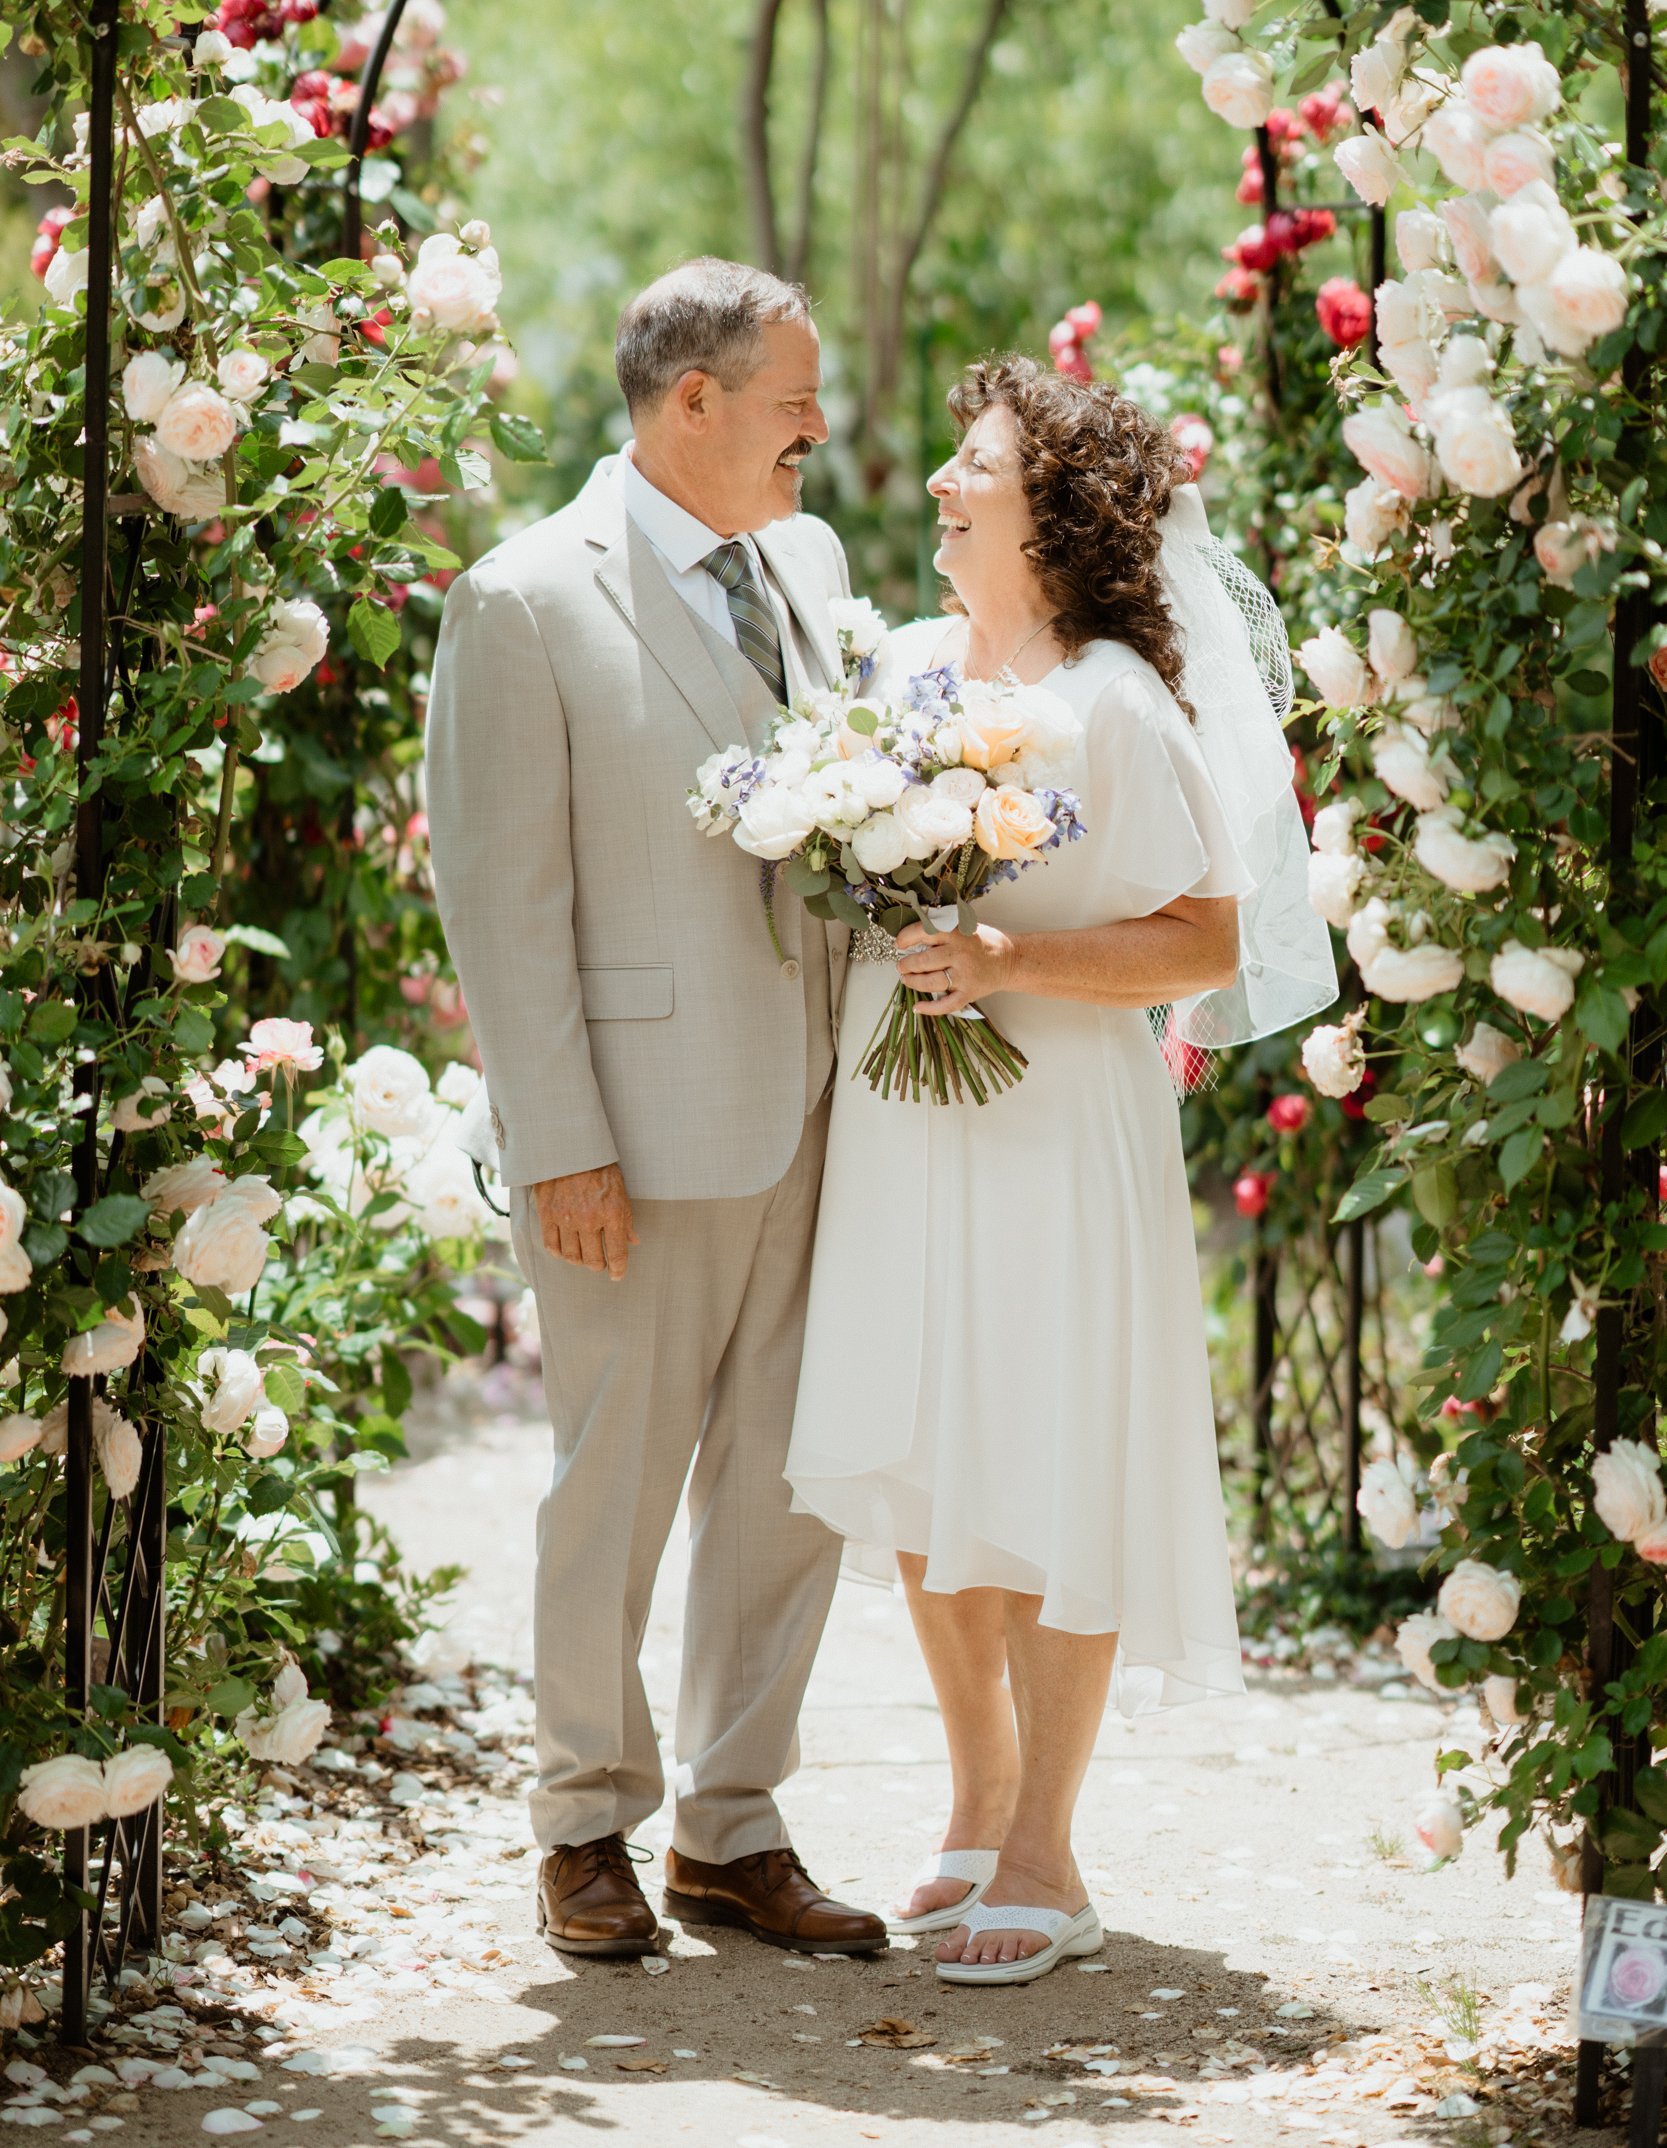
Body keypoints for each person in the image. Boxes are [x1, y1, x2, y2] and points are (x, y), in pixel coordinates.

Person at [785, 355, 1336, 1987]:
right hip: (909, 1116)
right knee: (925, 1445)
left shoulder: (1118, 701)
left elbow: (1205, 937)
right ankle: (973, 1811)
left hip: (1055, 1116)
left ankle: (1051, 1852)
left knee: (1049, 1448)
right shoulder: (895, 668)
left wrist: (1007, 963)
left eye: (972, 466)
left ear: (1053, 516)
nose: (940, 488)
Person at [426, 257, 886, 1961]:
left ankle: (733, 1829)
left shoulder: (811, 569)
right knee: (611, 1488)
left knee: (790, 1488)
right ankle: (582, 1821)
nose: (815, 431)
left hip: (827, 1114)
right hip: (631, 1126)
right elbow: (499, 900)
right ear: (690, 401)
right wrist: (562, 1140)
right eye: (790, 401)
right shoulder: (525, 599)